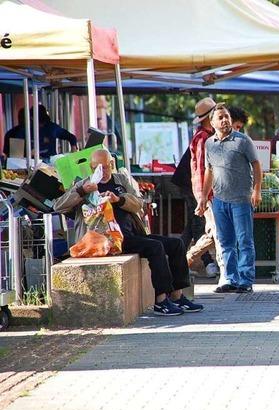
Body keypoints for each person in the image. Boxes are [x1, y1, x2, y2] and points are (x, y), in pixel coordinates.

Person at [54, 149, 203, 316]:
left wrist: (119, 199)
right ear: (91, 167)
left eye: (106, 167)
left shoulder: (121, 180)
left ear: (112, 165)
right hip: (106, 241)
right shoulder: (84, 184)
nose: (102, 172)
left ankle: (177, 296)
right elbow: (59, 206)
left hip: (130, 234)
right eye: (98, 168)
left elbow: (138, 203)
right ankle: (160, 301)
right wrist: (82, 192)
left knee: (176, 244)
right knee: (155, 248)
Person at [196, 104, 262, 294]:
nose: (225, 120)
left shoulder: (243, 141)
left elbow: (256, 166)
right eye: (220, 117)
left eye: (227, 116)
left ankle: (246, 280)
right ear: (212, 122)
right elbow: (209, 171)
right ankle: (230, 278)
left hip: (241, 199)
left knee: (244, 241)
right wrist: (203, 197)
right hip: (219, 201)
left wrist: (256, 191)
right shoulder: (209, 143)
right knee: (225, 243)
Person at [178, 98, 226, 279]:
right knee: (210, 231)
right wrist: (203, 196)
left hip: (206, 192)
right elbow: (201, 169)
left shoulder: (207, 136)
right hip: (204, 193)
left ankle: (181, 262)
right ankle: (190, 261)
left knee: (199, 229)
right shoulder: (203, 138)